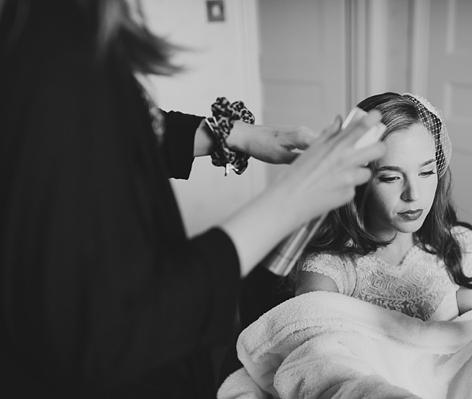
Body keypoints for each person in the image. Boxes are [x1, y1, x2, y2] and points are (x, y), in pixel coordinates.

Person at [0, 1, 385, 397]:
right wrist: (291, 198)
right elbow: (108, 334)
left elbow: (109, 137)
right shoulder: (54, 53)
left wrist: (232, 135)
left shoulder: (54, 40)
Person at [292, 92, 472, 396]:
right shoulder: (328, 272)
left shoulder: (464, 251)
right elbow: (322, 375)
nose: (414, 194)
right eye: (391, 177)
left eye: (427, 171)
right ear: (358, 178)